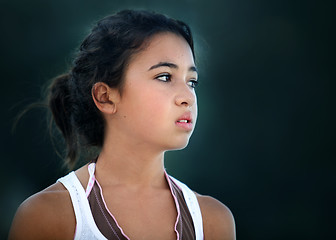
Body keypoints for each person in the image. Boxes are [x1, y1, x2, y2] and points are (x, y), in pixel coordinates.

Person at [9, 9, 235, 240]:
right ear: (106, 97)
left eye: (192, 81)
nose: (187, 96)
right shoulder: (48, 216)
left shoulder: (212, 222)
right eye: (165, 77)